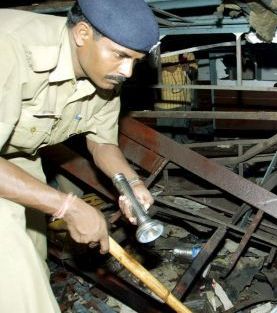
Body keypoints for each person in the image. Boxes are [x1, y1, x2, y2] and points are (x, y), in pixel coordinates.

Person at [0, 1, 159, 312]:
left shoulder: (103, 74)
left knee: (33, 254)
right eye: (121, 56)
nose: (127, 71)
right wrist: (68, 206)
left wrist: (131, 183)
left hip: (14, 154)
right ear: (83, 34)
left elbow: (102, 143)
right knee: (12, 267)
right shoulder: (10, 48)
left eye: (135, 61)